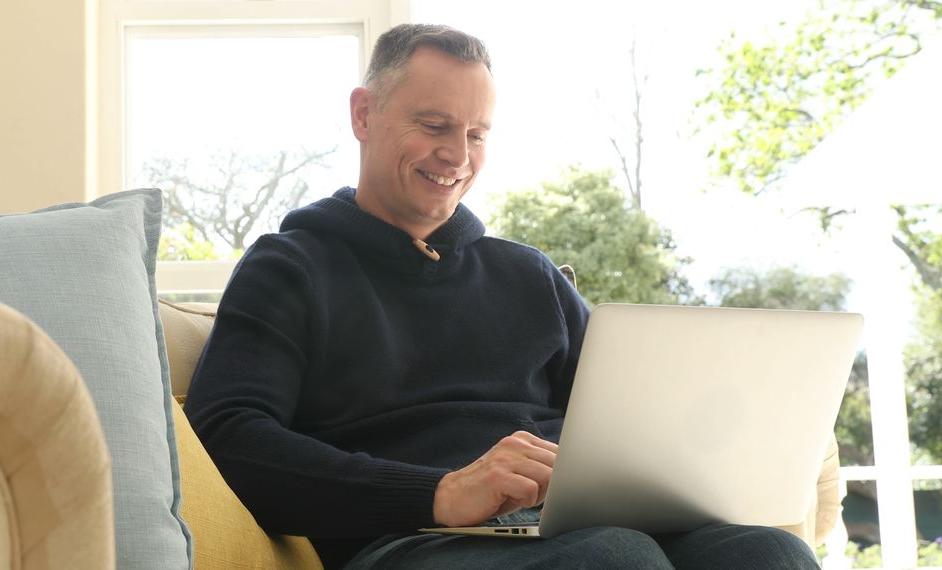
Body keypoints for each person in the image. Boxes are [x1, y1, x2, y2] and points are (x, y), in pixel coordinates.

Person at [185, 23, 821, 569]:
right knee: (615, 558)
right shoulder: (289, 267)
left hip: (570, 526)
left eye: (477, 134)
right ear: (363, 115)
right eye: (434, 125)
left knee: (770, 553)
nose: (457, 155)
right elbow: (229, 436)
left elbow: (631, 419)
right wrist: (439, 491)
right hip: (413, 538)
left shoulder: (530, 275)